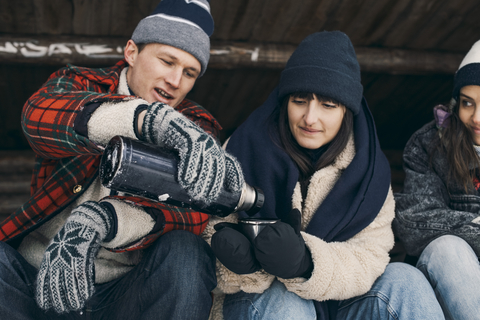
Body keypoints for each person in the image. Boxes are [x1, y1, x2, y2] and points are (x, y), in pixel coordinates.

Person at [0, 0, 245, 319]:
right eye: (167, 61)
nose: (175, 80)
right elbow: (37, 118)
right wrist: (149, 121)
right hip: (34, 274)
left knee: (187, 251)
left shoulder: (197, 131)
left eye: (189, 72)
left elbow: (190, 215)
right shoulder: (79, 83)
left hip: (121, 292)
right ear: (131, 52)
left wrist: (101, 220)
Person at [202, 31, 445, 320]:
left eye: (328, 105)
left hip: (335, 303)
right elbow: (210, 228)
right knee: (287, 300)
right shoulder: (244, 148)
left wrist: (307, 263)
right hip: (258, 302)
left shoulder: (369, 171)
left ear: (346, 111)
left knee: (406, 279)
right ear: (285, 101)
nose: (310, 118)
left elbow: (371, 254)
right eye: (300, 101)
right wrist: (240, 263)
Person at [394, 39, 480, 320]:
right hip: (448, 279)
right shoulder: (429, 143)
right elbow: (414, 223)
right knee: (449, 247)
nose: (477, 117)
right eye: (468, 103)